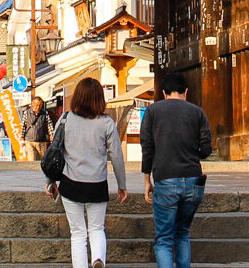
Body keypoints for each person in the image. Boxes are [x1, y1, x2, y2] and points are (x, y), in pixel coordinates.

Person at [43, 77, 126, 268]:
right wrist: (122, 185)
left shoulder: (64, 120)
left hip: (70, 183)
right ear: (99, 98)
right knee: (97, 228)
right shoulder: (106, 123)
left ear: (77, 97)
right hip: (97, 184)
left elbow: (54, 152)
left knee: (78, 233)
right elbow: (117, 157)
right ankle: (98, 258)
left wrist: (50, 181)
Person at [141, 72, 214, 268]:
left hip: (165, 179)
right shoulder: (197, 112)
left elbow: (147, 147)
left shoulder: (153, 112)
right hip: (193, 180)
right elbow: (207, 148)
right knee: (182, 232)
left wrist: (147, 179)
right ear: (186, 91)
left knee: (164, 238)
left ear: (164, 93)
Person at [23, 95, 51, 161]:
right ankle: (31, 171)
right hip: (29, 140)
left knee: (41, 161)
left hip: (41, 141)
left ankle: (39, 171)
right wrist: (21, 137)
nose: (38, 107)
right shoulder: (27, 113)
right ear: (32, 104)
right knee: (31, 160)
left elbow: (49, 124)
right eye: (36, 105)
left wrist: (51, 134)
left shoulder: (45, 113)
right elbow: (23, 125)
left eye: (40, 105)